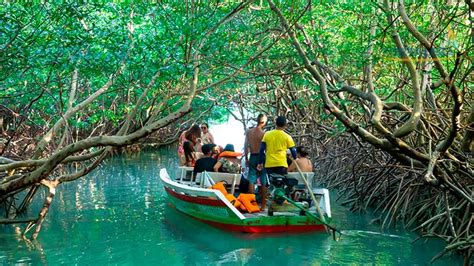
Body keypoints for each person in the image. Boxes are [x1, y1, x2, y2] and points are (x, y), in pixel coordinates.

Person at [257, 116, 297, 208]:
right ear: (285, 125)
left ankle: (270, 201)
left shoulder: (267, 134)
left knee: (271, 183)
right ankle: (281, 201)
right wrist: (295, 158)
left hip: (269, 163)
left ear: (275, 124)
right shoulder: (287, 136)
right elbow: (293, 150)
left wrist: (260, 162)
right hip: (282, 164)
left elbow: (262, 149)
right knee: (281, 183)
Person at [244, 114, 268, 206]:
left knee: (251, 178)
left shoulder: (249, 132)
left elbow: (245, 146)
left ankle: (251, 203)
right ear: (263, 122)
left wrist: (246, 158)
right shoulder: (263, 134)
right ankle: (263, 204)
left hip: (252, 156)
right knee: (263, 179)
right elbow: (266, 148)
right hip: (261, 157)